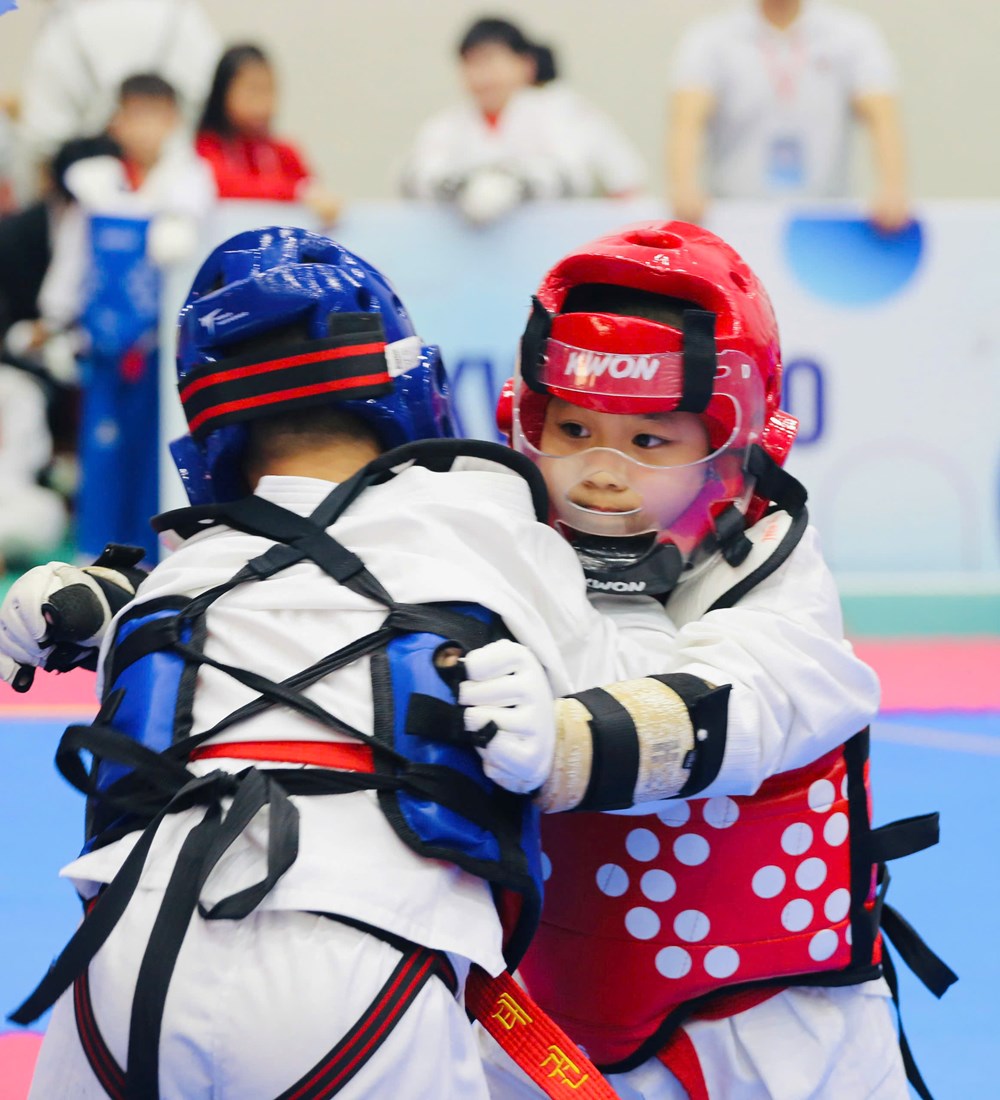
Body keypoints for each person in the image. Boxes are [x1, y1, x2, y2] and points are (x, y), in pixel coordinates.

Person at [0, 226, 679, 1099]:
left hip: (125, 951)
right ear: (411, 385)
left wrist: (95, 600)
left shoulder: (182, 572)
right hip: (364, 951)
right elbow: (656, 703)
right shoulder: (485, 521)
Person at [475, 221, 952, 1098]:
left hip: (773, 1023)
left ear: (732, 449)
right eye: (574, 428)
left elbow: (746, 704)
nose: (599, 473)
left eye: (650, 442)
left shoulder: (777, 577)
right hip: (550, 1025)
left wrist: (566, 743)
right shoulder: (511, 553)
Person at [36, 72, 214, 560]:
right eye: (132, 115)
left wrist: (177, 227)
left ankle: (156, 554)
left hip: (158, 348)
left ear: (173, 119)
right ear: (117, 121)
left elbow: (195, 244)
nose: (142, 127)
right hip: (105, 344)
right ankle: (96, 551)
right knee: (102, 451)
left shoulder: (189, 181)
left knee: (154, 452)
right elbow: (73, 258)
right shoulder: (95, 185)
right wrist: (55, 322)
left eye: (153, 115)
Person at [667, 0, 911, 232]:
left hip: (825, 217)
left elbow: (882, 118)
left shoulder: (852, 36)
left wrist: (892, 187)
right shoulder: (711, 39)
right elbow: (686, 122)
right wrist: (684, 185)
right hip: (735, 217)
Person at [401, 17, 646, 225]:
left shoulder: (560, 110)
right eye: (471, 62)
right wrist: (460, 187)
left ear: (526, 64)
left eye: (490, 59)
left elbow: (581, 176)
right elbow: (414, 176)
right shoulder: (447, 124)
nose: (481, 74)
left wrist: (515, 184)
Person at [18, 0, 220, 166]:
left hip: (172, 174)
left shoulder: (63, 25)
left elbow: (41, 137)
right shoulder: (186, 18)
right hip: (83, 173)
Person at [195, 43, 341, 228]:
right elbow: (221, 186)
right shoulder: (205, 147)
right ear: (222, 92)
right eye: (253, 90)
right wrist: (296, 192)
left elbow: (315, 192)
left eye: (269, 90)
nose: (262, 103)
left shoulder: (285, 152)